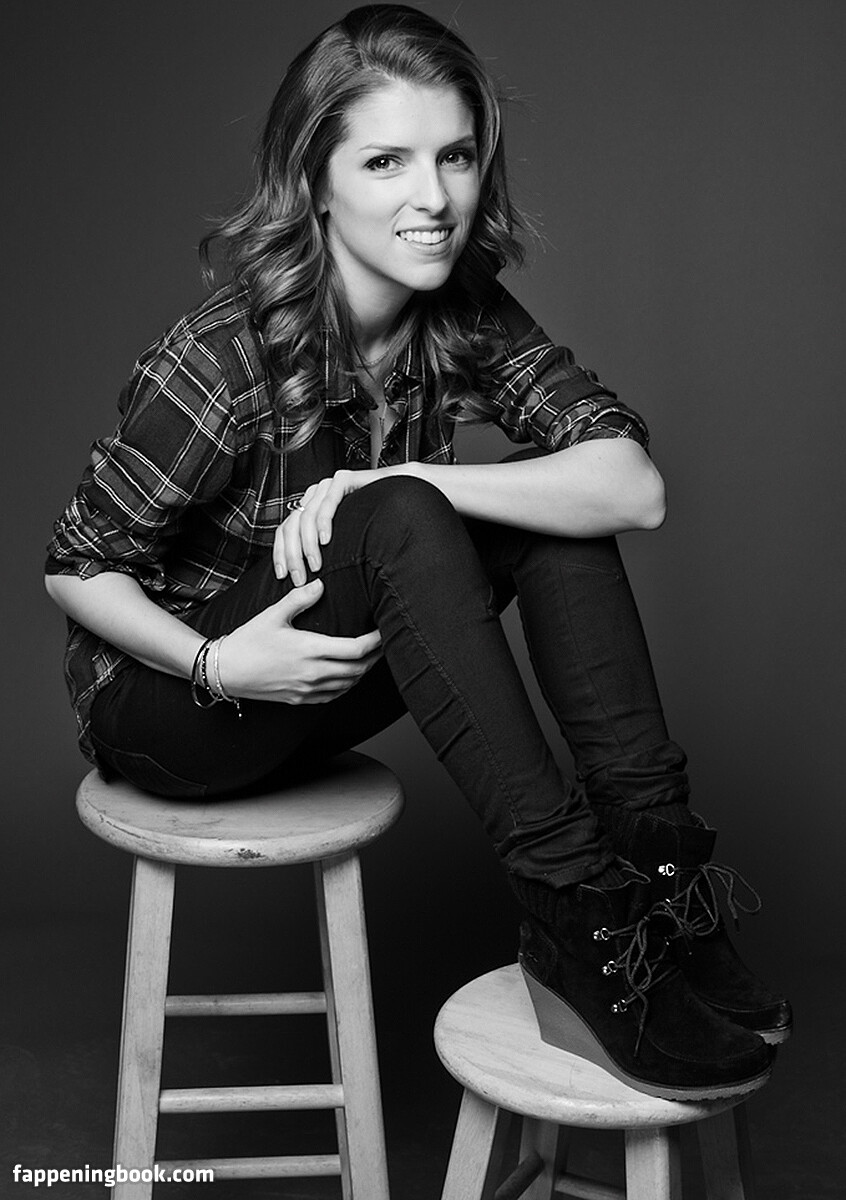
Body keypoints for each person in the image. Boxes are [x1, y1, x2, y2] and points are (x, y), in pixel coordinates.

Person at [44, 3, 790, 1100]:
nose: (432, 198)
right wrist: (219, 662)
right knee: (405, 515)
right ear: (316, 180)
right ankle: (571, 900)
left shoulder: (462, 316)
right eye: (386, 161)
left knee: (531, 505)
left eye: (455, 157)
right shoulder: (224, 354)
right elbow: (77, 562)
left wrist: (407, 480)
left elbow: (632, 488)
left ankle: (658, 876)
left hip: (319, 686)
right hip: (179, 705)